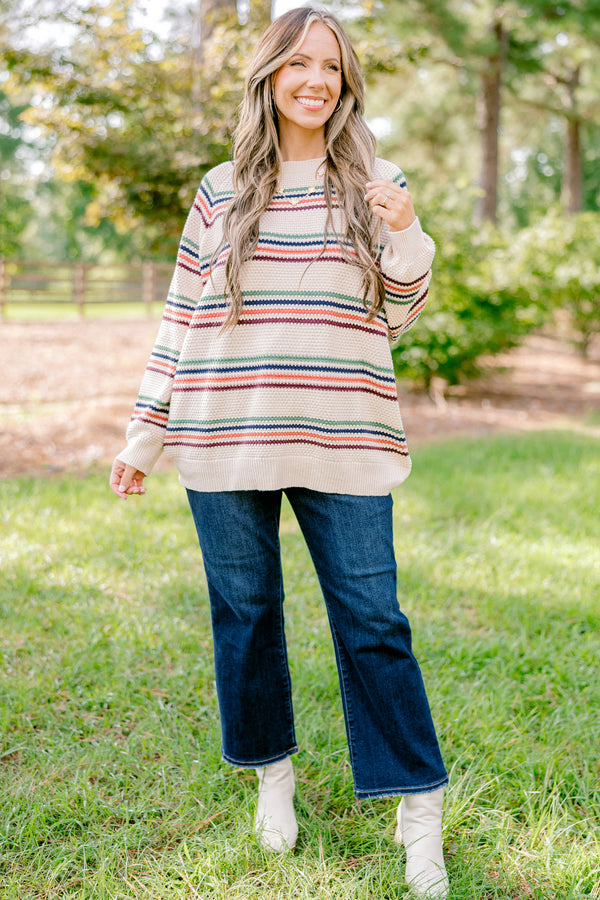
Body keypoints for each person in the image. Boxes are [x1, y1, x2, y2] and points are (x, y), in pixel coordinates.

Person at [110, 7, 449, 896]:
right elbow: (181, 316)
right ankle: (273, 778)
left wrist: (407, 230)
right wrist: (146, 433)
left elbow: (402, 312)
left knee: (375, 624)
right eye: (298, 64)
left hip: (345, 437)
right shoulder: (220, 188)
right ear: (269, 76)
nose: (315, 80)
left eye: (330, 68)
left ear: (345, 85)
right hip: (224, 436)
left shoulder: (378, 178)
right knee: (247, 616)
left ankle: (419, 813)